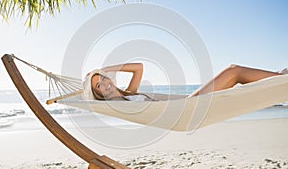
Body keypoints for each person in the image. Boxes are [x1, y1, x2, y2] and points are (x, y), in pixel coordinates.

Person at [84, 63, 286, 101]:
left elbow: (138, 67)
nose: (105, 83)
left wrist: (105, 68)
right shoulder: (119, 105)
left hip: (185, 103)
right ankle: (280, 79)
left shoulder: (129, 93)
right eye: (98, 85)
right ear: (99, 94)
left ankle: (278, 78)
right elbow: (93, 103)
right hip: (186, 108)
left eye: (103, 79)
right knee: (234, 72)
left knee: (235, 73)